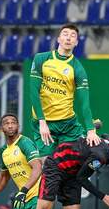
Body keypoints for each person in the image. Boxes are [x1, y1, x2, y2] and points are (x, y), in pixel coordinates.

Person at [29, 24, 100, 159]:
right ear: (58, 39)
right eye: (65, 34)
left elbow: (84, 104)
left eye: (73, 36)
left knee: (78, 160)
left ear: (76, 43)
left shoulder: (78, 69)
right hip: (44, 122)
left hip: (68, 124)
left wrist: (91, 130)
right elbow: (33, 92)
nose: (69, 38)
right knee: (47, 164)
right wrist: (42, 122)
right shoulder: (41, 59)